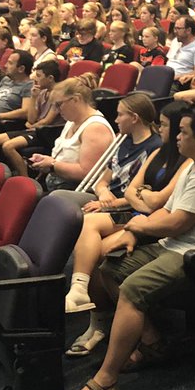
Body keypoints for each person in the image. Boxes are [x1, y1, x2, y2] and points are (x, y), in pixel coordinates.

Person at [56, 105, 195, 390]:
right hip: (179, 244)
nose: (175, 137)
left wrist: (134, 226)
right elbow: (165, 212)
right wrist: (134, 233)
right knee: (110, 269)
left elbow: (175, 223)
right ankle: (154, 343)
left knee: (132, 289)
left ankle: (105, 381)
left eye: (182, 132)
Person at [61, 93, 162, 312]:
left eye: (119, 115)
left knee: (86, 222)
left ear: (134, 118)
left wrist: (111, 203)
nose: (115, 120)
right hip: (106, 200)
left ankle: (79, 289)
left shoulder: (155, 148)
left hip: (127, 207)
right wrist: (104, 192)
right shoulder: (123, 140)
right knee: (57, 202)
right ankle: (62, 281)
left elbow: (143, 195)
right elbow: (102, 180)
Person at [29, 76, 115, 191]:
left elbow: (87, 173)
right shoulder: (72, 121)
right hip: (59, 185)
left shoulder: (95, 128)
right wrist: (45, 160)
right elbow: (64, 157)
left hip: (75, 191)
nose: (57, 110)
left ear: (76, 99)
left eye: (59, 104)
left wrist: (52, 165)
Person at [0, 59, 61, 176]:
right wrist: (34, 97)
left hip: (46, 133)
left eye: (39, 76)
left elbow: (46, 121)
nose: (36, 79)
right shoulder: (41, 92)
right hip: (35, 130)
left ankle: (24, 178)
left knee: (8, 147)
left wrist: (32, 125)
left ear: (50, 78)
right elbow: (31, 119)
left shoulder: (59, 95)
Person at [165, 17, 195, 88]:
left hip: (179, 82)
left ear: (188, 30)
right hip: (165, 77)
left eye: (178, 29)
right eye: (175, 28)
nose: (175, 31)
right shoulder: (175, 41)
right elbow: (169, 61)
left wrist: (177, 76)